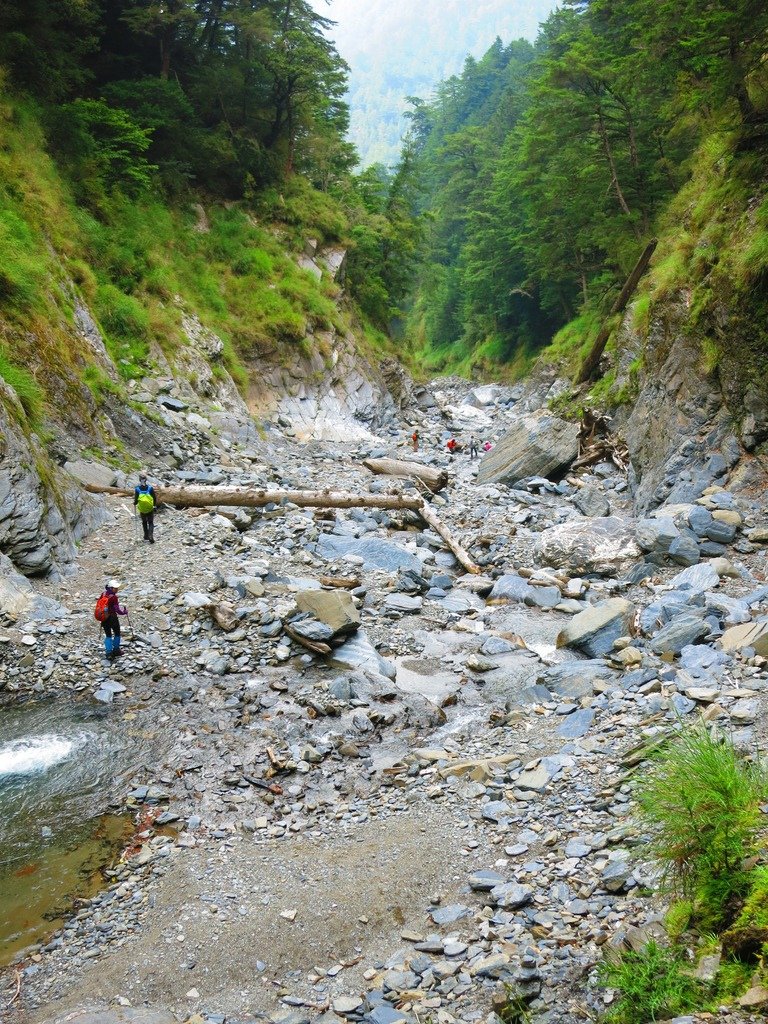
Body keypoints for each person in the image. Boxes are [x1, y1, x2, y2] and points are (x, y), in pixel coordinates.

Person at [100, 580, 128, 660]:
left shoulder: (103, 594)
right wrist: (124, 612)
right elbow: (117, 609)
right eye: (115, 588)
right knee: (117, 633)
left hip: (104, 618)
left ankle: (109, 652)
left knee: (108, 635)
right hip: (112, 618)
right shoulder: (114, 597)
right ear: (111, 588)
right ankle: (116, 650)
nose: (117, 589)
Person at [134, 472, 156, 543]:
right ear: (146, 480)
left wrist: (134, 503)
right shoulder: (150, 488)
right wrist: (154, 505)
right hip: (150, 508)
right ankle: (150, 536)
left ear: (139, 480)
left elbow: (136, 500)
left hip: (142, 509)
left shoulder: (137, 489)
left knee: (144, 522)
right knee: (151, 522)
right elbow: (154, 498)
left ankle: (146, 536)